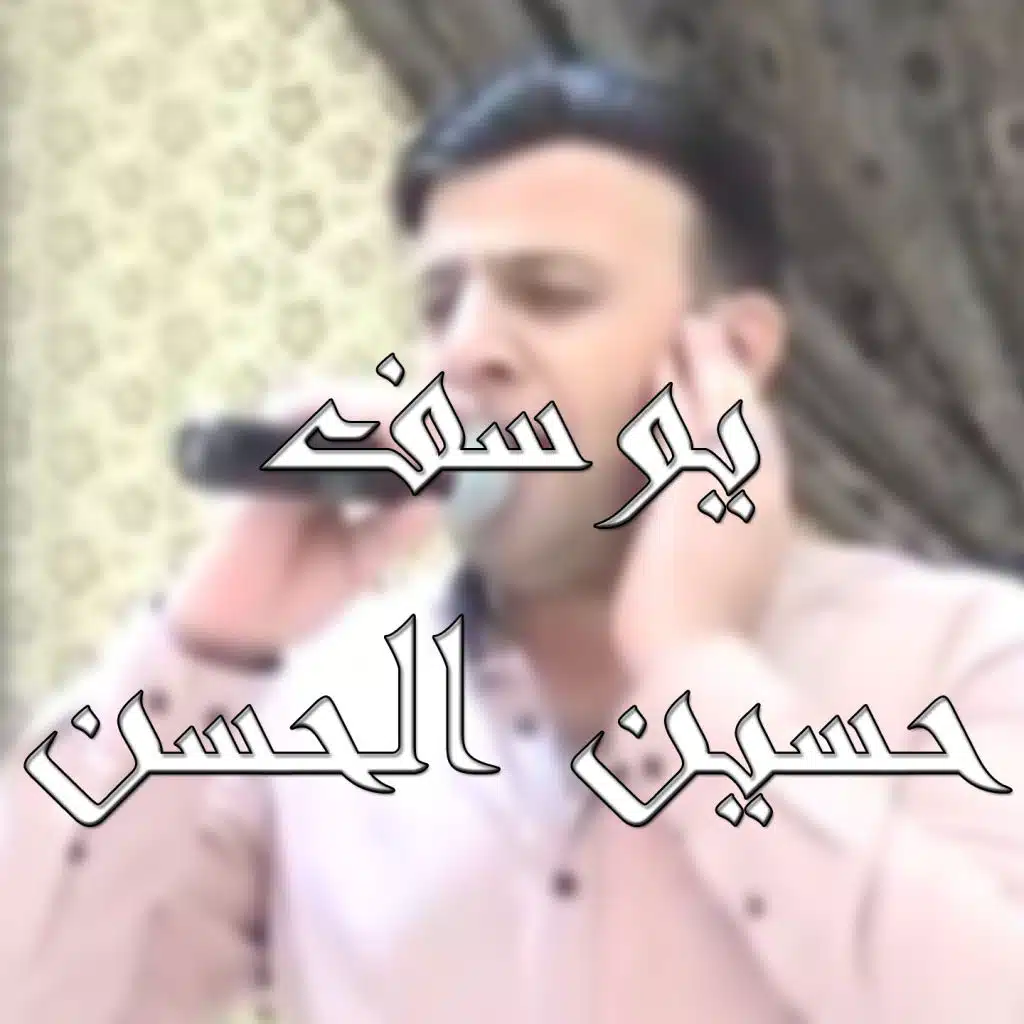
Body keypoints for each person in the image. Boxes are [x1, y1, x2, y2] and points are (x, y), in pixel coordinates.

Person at [2, 58, 1023, 1024]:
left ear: (731, 353)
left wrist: (694, 669)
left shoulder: (969, 660)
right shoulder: (315, 707)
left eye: (550, 293)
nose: (467, 349)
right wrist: (205, 642)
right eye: (441, 303)